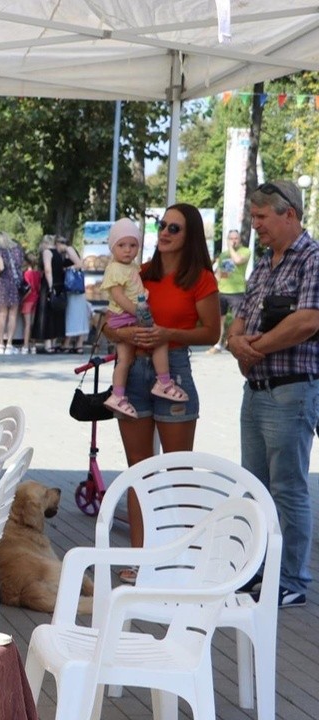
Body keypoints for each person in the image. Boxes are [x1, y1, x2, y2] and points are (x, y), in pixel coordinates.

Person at [102, 204, 218, 582]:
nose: (165, 232)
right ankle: (141, 560)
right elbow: (107, 322)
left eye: (175, 227)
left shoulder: (199, 279)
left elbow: (211, 333)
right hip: (133, 370)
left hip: (174, 370)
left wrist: (168, 334)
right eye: (161, 225)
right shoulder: (139, 272)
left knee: (177, 470)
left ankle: (179, 559)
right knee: (139, 470)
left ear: (190, 236)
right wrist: (122, 334)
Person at [229, 180, 319, 608]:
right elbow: (241, 317)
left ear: (290, 214)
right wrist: (235, 342)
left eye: (262, 217)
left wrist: (252, 349)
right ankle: (257, 572)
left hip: (291, 392)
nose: (256, 225)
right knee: (254, 488)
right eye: (253, 217)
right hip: (256, 389)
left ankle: (293, 580)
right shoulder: (264, 263)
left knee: (287, 488)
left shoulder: (313, 259)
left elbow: (307, 321)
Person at [100, 218, 189, 419]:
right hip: (125, 317)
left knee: (125, 359)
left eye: (133, 245)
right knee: (159, 340)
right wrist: (137, 311)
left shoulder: (131, 267)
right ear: (112, 247)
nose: (128, 250)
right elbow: (118, 296)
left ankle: (118, 395)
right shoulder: (114, 269)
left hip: (127, 317)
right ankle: (164, 382)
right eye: (121, 245)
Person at [209, 228, 252, 353]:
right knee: (219, 319)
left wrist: (231, 248)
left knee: (237, 319)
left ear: (239, 240)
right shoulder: (224, 255)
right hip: (222, 291)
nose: (233, 241)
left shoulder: (245, 251)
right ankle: (217, 345)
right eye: (231, 238)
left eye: (236, 238)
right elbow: (221, 272)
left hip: (237, 291)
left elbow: (238, 260)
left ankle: (236, 344)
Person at [0, 232, 26, 354]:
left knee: (2, 314)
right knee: (13, 315)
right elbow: (22, 265)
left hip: (3, 285)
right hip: (15, 285)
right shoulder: (17, 250)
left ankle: (0, 345)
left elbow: (0, 268)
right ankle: (9, 344)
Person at [32, 235, 67, 353]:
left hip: (49, 285)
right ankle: (54, 342)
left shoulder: (47, 252)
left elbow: (47, 270)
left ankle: (48, 344)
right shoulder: (58, 254)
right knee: (57, 314)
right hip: (60, 285)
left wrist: (50, 286)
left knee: (46, 314)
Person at [58, 236, 88, 353]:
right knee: (79, 315)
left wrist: (67, 269)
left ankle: (67, 342)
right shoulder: (71, 250)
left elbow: (80, 264)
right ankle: (79, 344)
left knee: (73, 314)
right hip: (78, 289)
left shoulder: (69, 250)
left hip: (74, 289)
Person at [20, 254, 41, 354]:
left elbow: (27, 289)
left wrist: (21, 299)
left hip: (28, 300)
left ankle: (25, 345)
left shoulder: (26, 274)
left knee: (27, 325)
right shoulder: (37, 273)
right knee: (33, 324)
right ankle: (33, 345)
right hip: (35, 299)